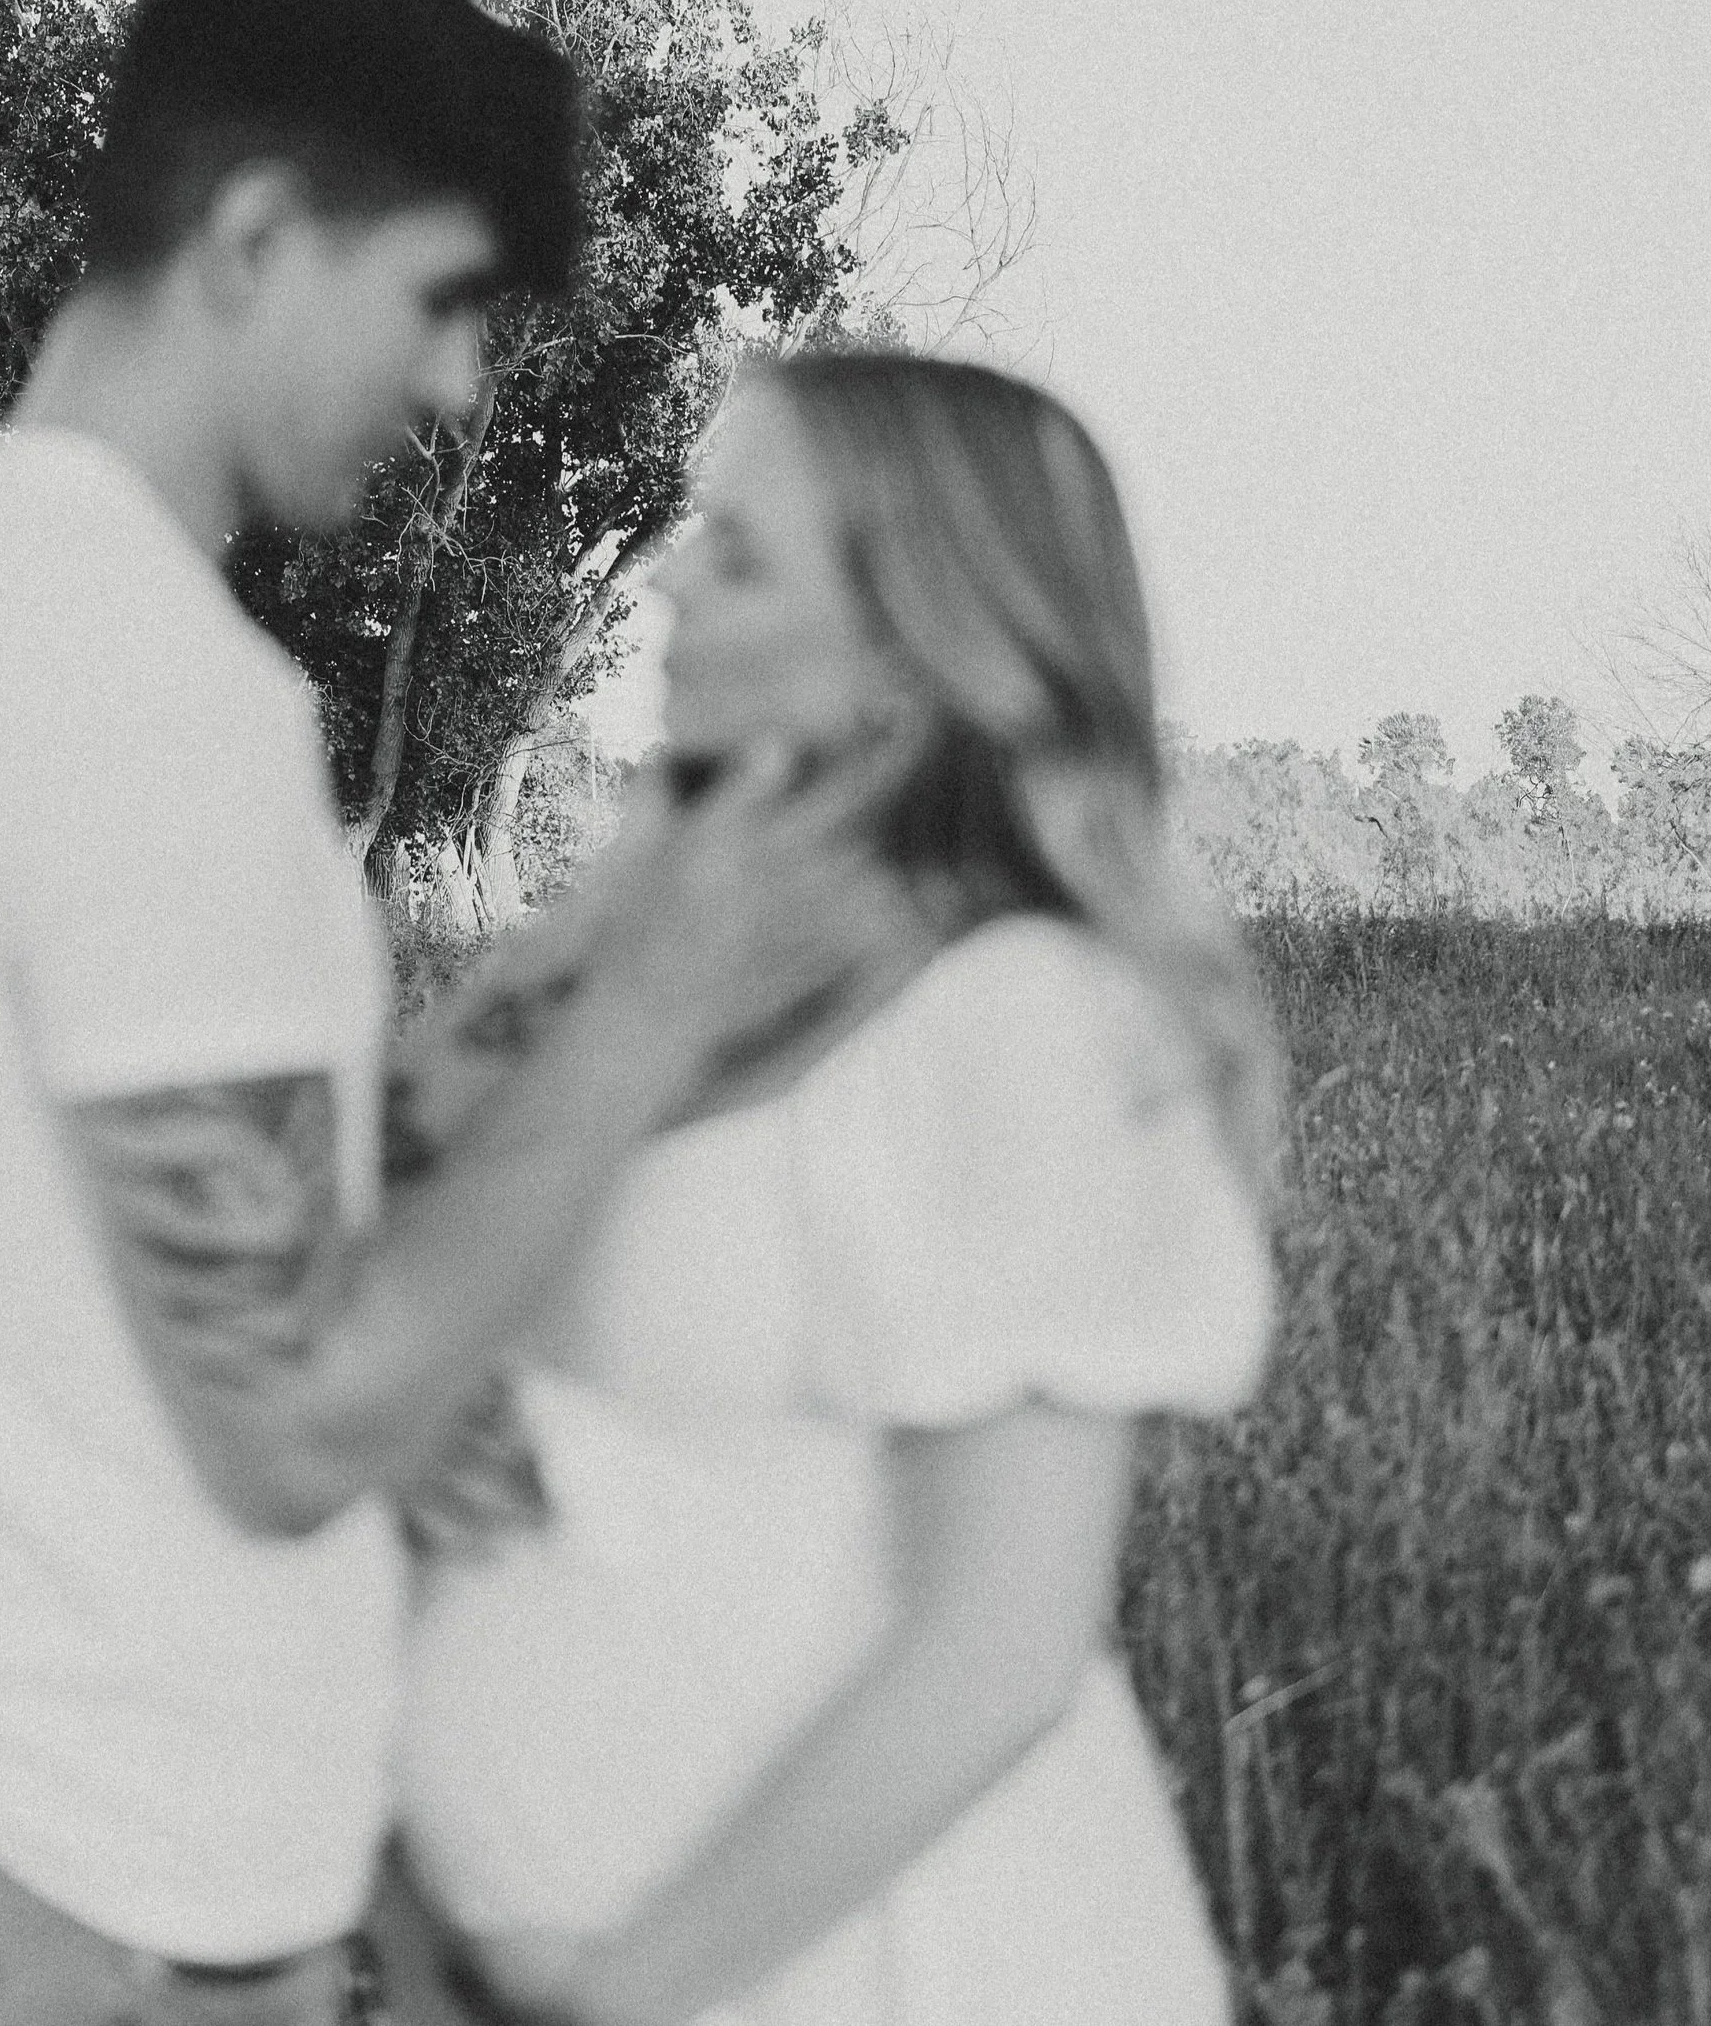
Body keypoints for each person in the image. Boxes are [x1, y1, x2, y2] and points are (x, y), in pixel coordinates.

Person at [0, 0, 904, 2025]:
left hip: (19, 1858)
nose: (460, 382)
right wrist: (655, 1001)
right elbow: (286, 1421)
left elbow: (199, 1265)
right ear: (258, 235)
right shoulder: (134, 688)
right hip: (69, 1909)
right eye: (442, 300)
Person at [385, 350, 1286, 2026]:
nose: (668, 580)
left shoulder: (1024, 1016)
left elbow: (999, 1647)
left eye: (737, 550)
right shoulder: (656, 967)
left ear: (910, 639)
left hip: (897, 1972)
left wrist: (614, 2004)